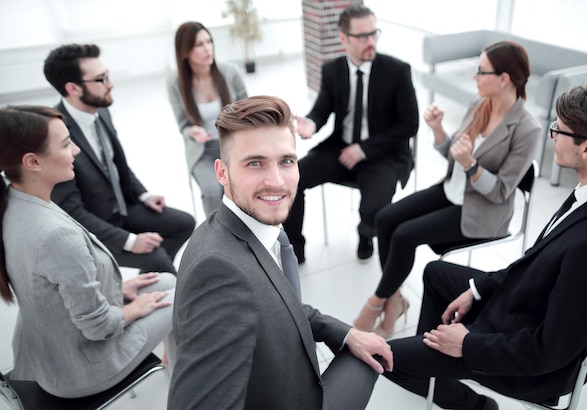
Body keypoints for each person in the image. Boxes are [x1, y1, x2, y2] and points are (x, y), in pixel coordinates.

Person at [382, 82, 587, 410]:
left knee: (382, 358)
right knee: (436, 272)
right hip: (523, 300)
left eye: (560, 130)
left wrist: (468, 346)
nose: (552, 136)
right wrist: (479, 290)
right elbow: (537, 261)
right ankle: (433, 369)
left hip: (524, 356)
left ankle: (471, 402)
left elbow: (548, 351)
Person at [168, 95, 393, 410]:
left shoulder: (258, 224)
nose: (276, 182)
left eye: (286, 161)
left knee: (374, 350)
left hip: (296, 381)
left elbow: (278, 302)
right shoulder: (217, 272)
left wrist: (344, 333)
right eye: (255, 163)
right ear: (221, 173)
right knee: (377, 360)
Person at [353, 41, 541, 338]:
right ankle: (395, 300)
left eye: (481, 71)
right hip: (451, 191)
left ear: (503, 79)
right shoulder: (479, 104)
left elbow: (501, 192)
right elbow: (454, 152)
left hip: (481, 212)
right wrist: (439, 131)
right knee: (386, 218)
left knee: (404, 236)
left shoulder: (527, 130)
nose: (474, 77)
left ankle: (378, 304)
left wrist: (471, 165)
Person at [0, 105, 177, 398]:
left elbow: (51, 287)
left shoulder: (17, 202)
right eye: (67, 144)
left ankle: (178, 368)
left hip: (50, 347)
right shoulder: (54, 234)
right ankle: (191, 388)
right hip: (81, 369)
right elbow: (99, 328)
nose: (77, 151)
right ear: (32, 161)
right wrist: (135, 308)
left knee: (167, 281)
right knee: (185, 296)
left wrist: (117, 288)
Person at [43, 44, 196, 274]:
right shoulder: (56, 134)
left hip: (123, 207)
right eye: (101, 79)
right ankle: (159, 277)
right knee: (158, 259)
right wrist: (129, 240)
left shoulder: (100, 109)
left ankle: (152, 277)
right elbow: (72, 212)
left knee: (184, 223)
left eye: (108, 75)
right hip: (92, 226)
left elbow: (115, 163)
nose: (111, 84)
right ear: (73, 88)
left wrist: (143, 194)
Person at [283, 4, 419, 263]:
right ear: (343, 38)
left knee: (374, 210)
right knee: (293, 178)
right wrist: (311, 124)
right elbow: (322, 109)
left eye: (374, 33)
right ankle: (294, 248)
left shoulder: (397, 71)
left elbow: (409, 125)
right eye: (363, 36)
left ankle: (365, 233)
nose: (371, 41)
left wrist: (364, 149)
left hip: (383, 154)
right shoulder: (332, 70)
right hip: (342, 148)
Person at [167, 21, 248, 218]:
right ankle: (217, 238)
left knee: (238, 189)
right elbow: (183, 125)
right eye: (199, 44)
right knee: (212, 191)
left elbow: (248, 112)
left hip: (232, 146)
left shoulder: (230, 71)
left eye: (209, 41)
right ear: (184, 51)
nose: (207, 48)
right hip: (202, 151)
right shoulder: (175, 83)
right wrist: (192, 131)